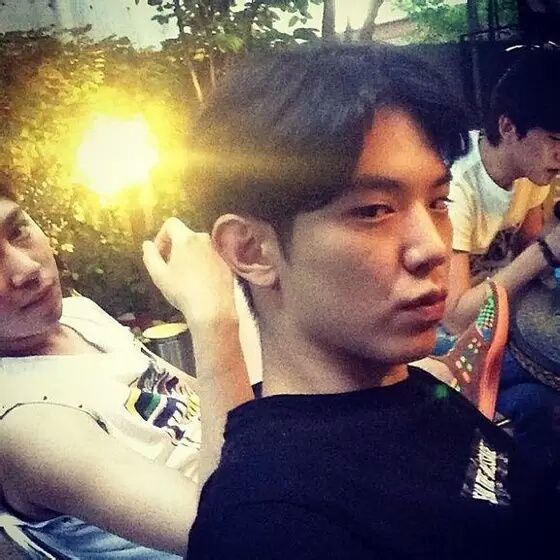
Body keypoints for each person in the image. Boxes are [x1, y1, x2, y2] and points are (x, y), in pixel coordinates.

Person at [183, 44, 559, 560]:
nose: (432, 247)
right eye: (374, 210)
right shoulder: (273, 524)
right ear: (251, 251)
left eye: (438, 202)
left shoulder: (414, 390)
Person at [0, 174, 258, 558]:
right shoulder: (25, 426)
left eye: (18, 231)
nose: (26, 269)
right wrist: (213, 316)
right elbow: (239, 531)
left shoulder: (77, 315)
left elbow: (189, 394)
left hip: (265, 472)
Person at [438, 48, 560, 474]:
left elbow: (529, 252)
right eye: (556, 140)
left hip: (502, 321)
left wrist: (545, 249)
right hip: (450, 337)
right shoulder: (458, 187)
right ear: (508, 127)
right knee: (541, 396)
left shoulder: (533, 174)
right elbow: (454, 315)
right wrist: (547, 251)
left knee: (537, 402)